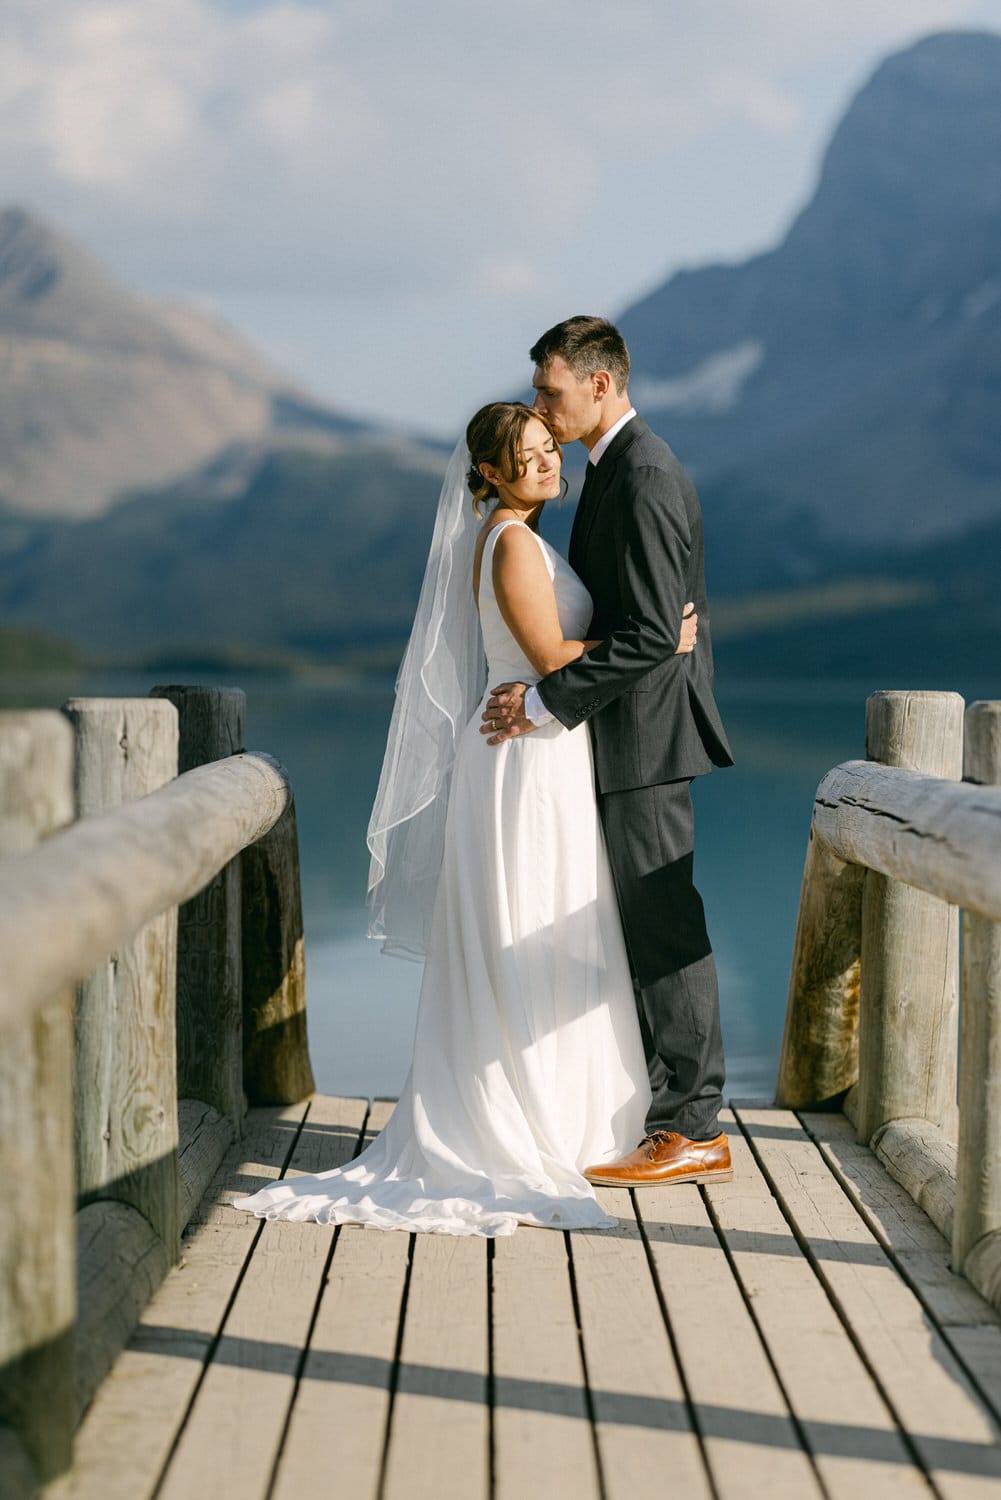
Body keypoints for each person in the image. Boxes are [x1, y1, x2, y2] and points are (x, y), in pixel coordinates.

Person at [230, 401, 698, 1236]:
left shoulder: (518, 535)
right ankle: (527, 1121)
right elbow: (551, 659)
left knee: (556, 926)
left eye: (549, 448)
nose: (548, 462)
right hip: (523, 758)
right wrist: (659, 641)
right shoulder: (511, 543)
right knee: (533, 924)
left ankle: (565, 1112)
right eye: (526, 455)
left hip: (542, 747)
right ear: (487, 473)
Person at [483, 317, 734, 1189]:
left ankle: (694, 1124)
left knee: (666, 924)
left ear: (601, 384)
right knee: (637, 924)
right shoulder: (608, 469)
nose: (540, 411)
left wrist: (545, 697)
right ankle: (650, 1108)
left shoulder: (647, 474)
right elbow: (647, 627)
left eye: (550, 393)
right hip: (618, 732)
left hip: (649, 739)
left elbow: (652, 632)